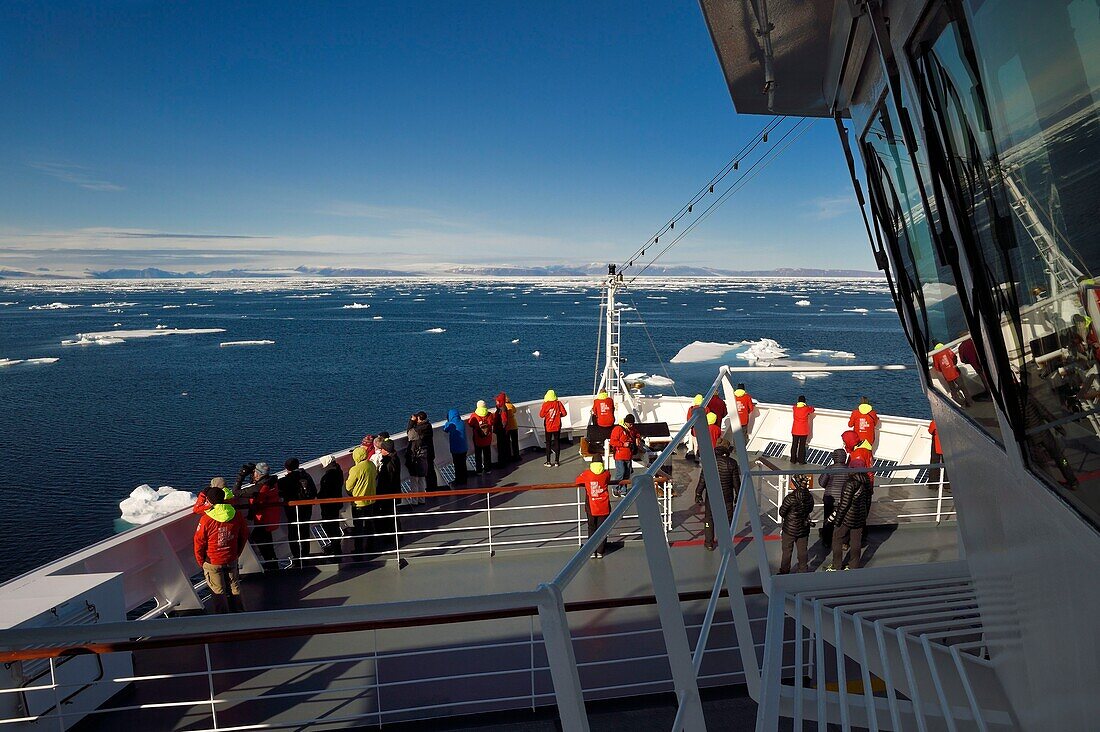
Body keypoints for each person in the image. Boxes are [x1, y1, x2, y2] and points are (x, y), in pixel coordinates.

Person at [193, 485, 248, 613]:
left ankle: (222, 618)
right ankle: (240, 613)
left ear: (210, 501)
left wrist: (201, 561)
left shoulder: (206, 519)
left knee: (218, 591)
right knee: (234, 586)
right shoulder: (236, 514)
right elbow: (244, 534)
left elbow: (199, 542)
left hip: (212, 560)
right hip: (231, 557)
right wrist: (237, 553)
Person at [694, 438, 741, 551]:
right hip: (727, 497)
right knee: (727, 520)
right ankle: (726, 544)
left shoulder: (709, 461)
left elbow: (703, 480)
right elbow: (736, 483)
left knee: (709, 519)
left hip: (712, 496)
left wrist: (698, 493)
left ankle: (709, 543)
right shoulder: (732, 463)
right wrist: (738, 497)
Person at [827, 456, 873, 570]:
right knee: (856, 541)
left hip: (848, 517)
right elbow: (868, 500)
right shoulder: (867, 481)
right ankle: (854, 565)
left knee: (837, 537)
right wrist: (864, 515)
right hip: (860, 516)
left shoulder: (850, 483)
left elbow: (844, 504)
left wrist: (837, 520)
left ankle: (836, 565)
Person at [277, 458, 317, 567]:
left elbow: (277, 491)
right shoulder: (306, 476)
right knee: (304, 532)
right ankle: (305, 556)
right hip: (306, 509)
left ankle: (297, 557)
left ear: (286, 468)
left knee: (293, 534)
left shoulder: (285, 481)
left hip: (292, 511)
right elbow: (314, 492)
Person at [345, 445, 378, 557]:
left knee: (358, 527)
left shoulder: (355, 469)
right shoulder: (372, 465)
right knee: (370, 524)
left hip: (359, 502)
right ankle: (371, 546)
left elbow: (348, 486)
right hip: (371, 500)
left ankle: (358, 549)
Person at [778, 473, 815, 574]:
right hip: (804, 528)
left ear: (795, 484)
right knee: (802, 551)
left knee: (787, 551)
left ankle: (784, 571)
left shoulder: (790, 498)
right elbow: (810, 509)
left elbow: (782, 512)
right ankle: (803, 570)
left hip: (789, 529)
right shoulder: (809, 497)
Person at [575, 461, 612, 558]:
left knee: (591, 527)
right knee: (602, 528)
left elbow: (577, 480)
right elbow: (608, 478)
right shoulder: (606, 473)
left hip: (592, 506)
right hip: (603, 505)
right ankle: (600, 551)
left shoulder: (587, 474)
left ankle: (592, 550)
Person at [247, 463, 280, 569]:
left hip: (263, 520)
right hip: (270, 519)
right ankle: (272, 564)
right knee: (267, 543)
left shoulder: (263, 487)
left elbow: (258, 503)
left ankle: (270, 565)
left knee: (258, 540)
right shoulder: (273, 483)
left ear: (258, 474)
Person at [374, 439, 402, 552]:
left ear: (386, 450)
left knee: (388, 514)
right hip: (393, 492)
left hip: (388, 493)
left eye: (382, 449)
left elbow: (386, 480)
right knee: (392, 514)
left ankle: (390, 537)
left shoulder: (389, 464)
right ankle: (396, 534)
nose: (380, 451)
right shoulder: (394, 459)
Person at [817, 448, 847, 553]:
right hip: (843, 500)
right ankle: (842, 542)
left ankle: (826, 541)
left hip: (829, 498)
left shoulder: (830, 468)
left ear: (834, 458)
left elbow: (822, 482)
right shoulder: (849, 469)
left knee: (828, 520)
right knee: (841, 521)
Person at [317, 455, 345, 558]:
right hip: (336, 503)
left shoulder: (328, 477)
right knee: (335, 525)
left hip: (329, 505)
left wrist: (319, 496)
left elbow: (325, 492)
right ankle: (336, 547)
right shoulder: (339, 471)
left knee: (329, 526)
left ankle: (335, 548)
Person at [609, 415, 641, 497]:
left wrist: (637, 438)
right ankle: (616, 488)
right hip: (619, 455)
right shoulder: (618, 429)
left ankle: (623, 490)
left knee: (627, 473)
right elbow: (612, 442)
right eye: (630, 424)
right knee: (621, 472)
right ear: (626, 422)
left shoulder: (632, 429)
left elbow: (636, 433)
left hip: (628, 455)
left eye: (632, 424)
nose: (631, 425)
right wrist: (623, 444)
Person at [404, 416, 430, 506]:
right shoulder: (428, 427)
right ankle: (422, 499)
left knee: (414, 480)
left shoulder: (417, 433)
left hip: (415, 458)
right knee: (422, 479)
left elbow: (409, 433)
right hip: (423, 456)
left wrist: (411, 422)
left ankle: (414, 501)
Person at [539, 389, 568, 467]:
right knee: (557, 442)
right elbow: (564, 413)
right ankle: (557, 461)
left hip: (548, 426)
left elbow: (541, 415)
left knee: (548, 443)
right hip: (557, 426)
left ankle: (548, 462)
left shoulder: (545, 404)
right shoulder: (558, 403)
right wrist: (558, 416)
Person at [443, 408, 470, 486]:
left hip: (456, 449)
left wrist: (447, 422)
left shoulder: (450, 424)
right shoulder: (461, 422)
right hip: (464, 447)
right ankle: (464, 479)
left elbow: (445, 429)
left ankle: (458, 480)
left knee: (457, 465)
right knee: (463, 464)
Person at [467, 400, 494, 474]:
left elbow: (470, 423)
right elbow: (492, 422)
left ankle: (479, 470)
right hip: (487, 439)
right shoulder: (490, 415)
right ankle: (487, 469)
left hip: (478, 439)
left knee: (478, 455)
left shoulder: (474, 415)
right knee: (487, 454)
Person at [493, 392, 516, 465]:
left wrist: (501, 429)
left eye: (497, 401)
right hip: (503, 431)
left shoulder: (502, 409)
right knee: (505, 445)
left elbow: (504, 420)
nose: (496, 402)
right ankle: (506, 459)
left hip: (501, 431)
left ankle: (502, 462)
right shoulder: (502, 408)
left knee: (501, 447)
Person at [790, 396, 814, 465]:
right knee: (802, 446)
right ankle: (801, 460)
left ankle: (793, 459)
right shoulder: (806, 409)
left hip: (795, 430)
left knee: (794, 445)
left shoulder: (794, 408)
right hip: (803, 430)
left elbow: (795, 406)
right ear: (804, 402)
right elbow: (812, 409)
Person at [927, 420, 948, 491]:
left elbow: (930, 430)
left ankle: (933, 484)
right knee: (948, 465)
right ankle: (947, 485)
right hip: (948, 445)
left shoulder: (936, 421)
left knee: (934, 464)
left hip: (937, 444)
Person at [684, 394, 704, 461]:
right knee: (701, 444)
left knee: (695, 444)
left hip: (694, 430)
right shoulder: (706, 409)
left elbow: (689, 419)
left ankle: (696, 457)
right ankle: (701, 457)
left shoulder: (691, 409)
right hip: (703, 430)